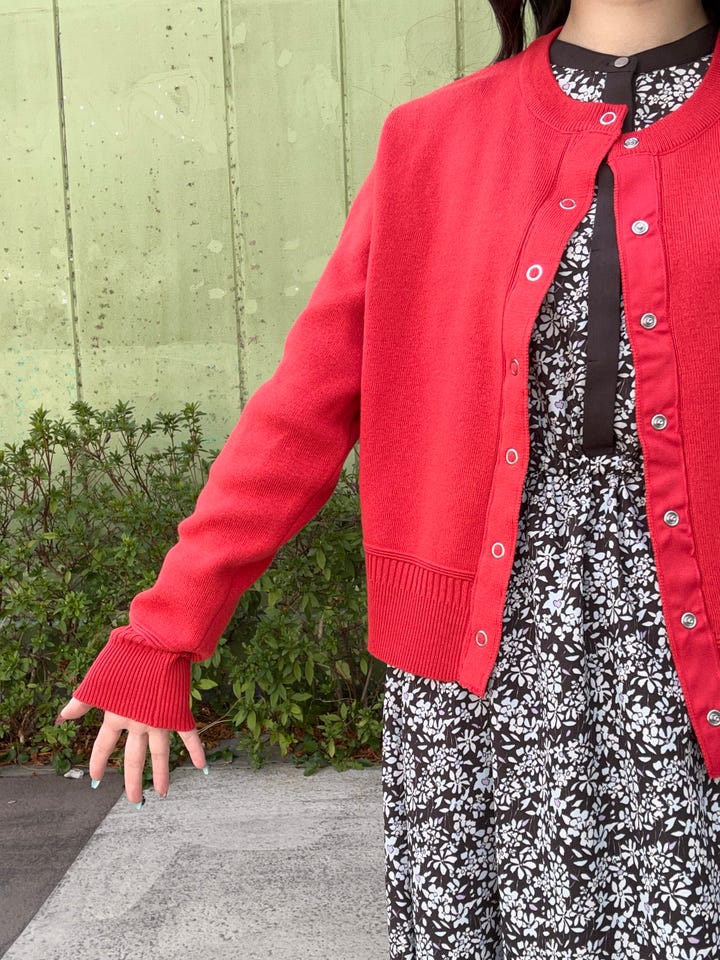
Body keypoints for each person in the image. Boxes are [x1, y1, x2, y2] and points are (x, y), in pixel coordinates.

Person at [57, 0, 720, 954]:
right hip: (479, 667)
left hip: (689, 660)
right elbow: (308, 401)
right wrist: (165, 629)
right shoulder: (436, 139)